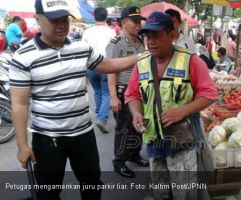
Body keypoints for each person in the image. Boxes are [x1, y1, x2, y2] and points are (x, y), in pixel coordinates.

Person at [9, 0, 139, 199]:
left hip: (83, 134)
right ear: (38, 19)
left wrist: (143, 57)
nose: (61, 24)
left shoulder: (81, 47)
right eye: (54, 20)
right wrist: (22, 146)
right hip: (47, 139)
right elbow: (18, 104)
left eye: (65, 19)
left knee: (92, 184)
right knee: (48, 192)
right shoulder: (23, 56)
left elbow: (110, 64)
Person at [125, 12, 218, 199]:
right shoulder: (142, 63)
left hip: (181, 139)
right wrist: (136, 112)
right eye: (147, 37)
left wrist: (182, 111)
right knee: (160, 190)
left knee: (184, 192)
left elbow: (209, 94)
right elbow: (132, 94)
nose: (150, 42)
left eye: (156, 36)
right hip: (153, 138)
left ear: (172, 35)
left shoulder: (191, 61)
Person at [106, 5, 148, 178]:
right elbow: (111, 71)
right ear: (123, 22)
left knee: (138, 125)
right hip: (122, 92)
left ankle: (134, 154)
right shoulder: (116, 44)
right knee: (124, 128)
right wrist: (114, 97)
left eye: (139, 21)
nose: (138, 24)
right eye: (134, 21)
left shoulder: (139, 41)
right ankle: (119, 161)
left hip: (138, 93)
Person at [82, 7, 116, 133]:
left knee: (97, 91)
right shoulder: (111, 32)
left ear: (94, 16)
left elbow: (83, 49)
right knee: (107, 93)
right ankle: (102, 118)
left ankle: (100, 113)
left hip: (90, 66)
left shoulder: (87, 32)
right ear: (106, 17)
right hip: (106, 65)